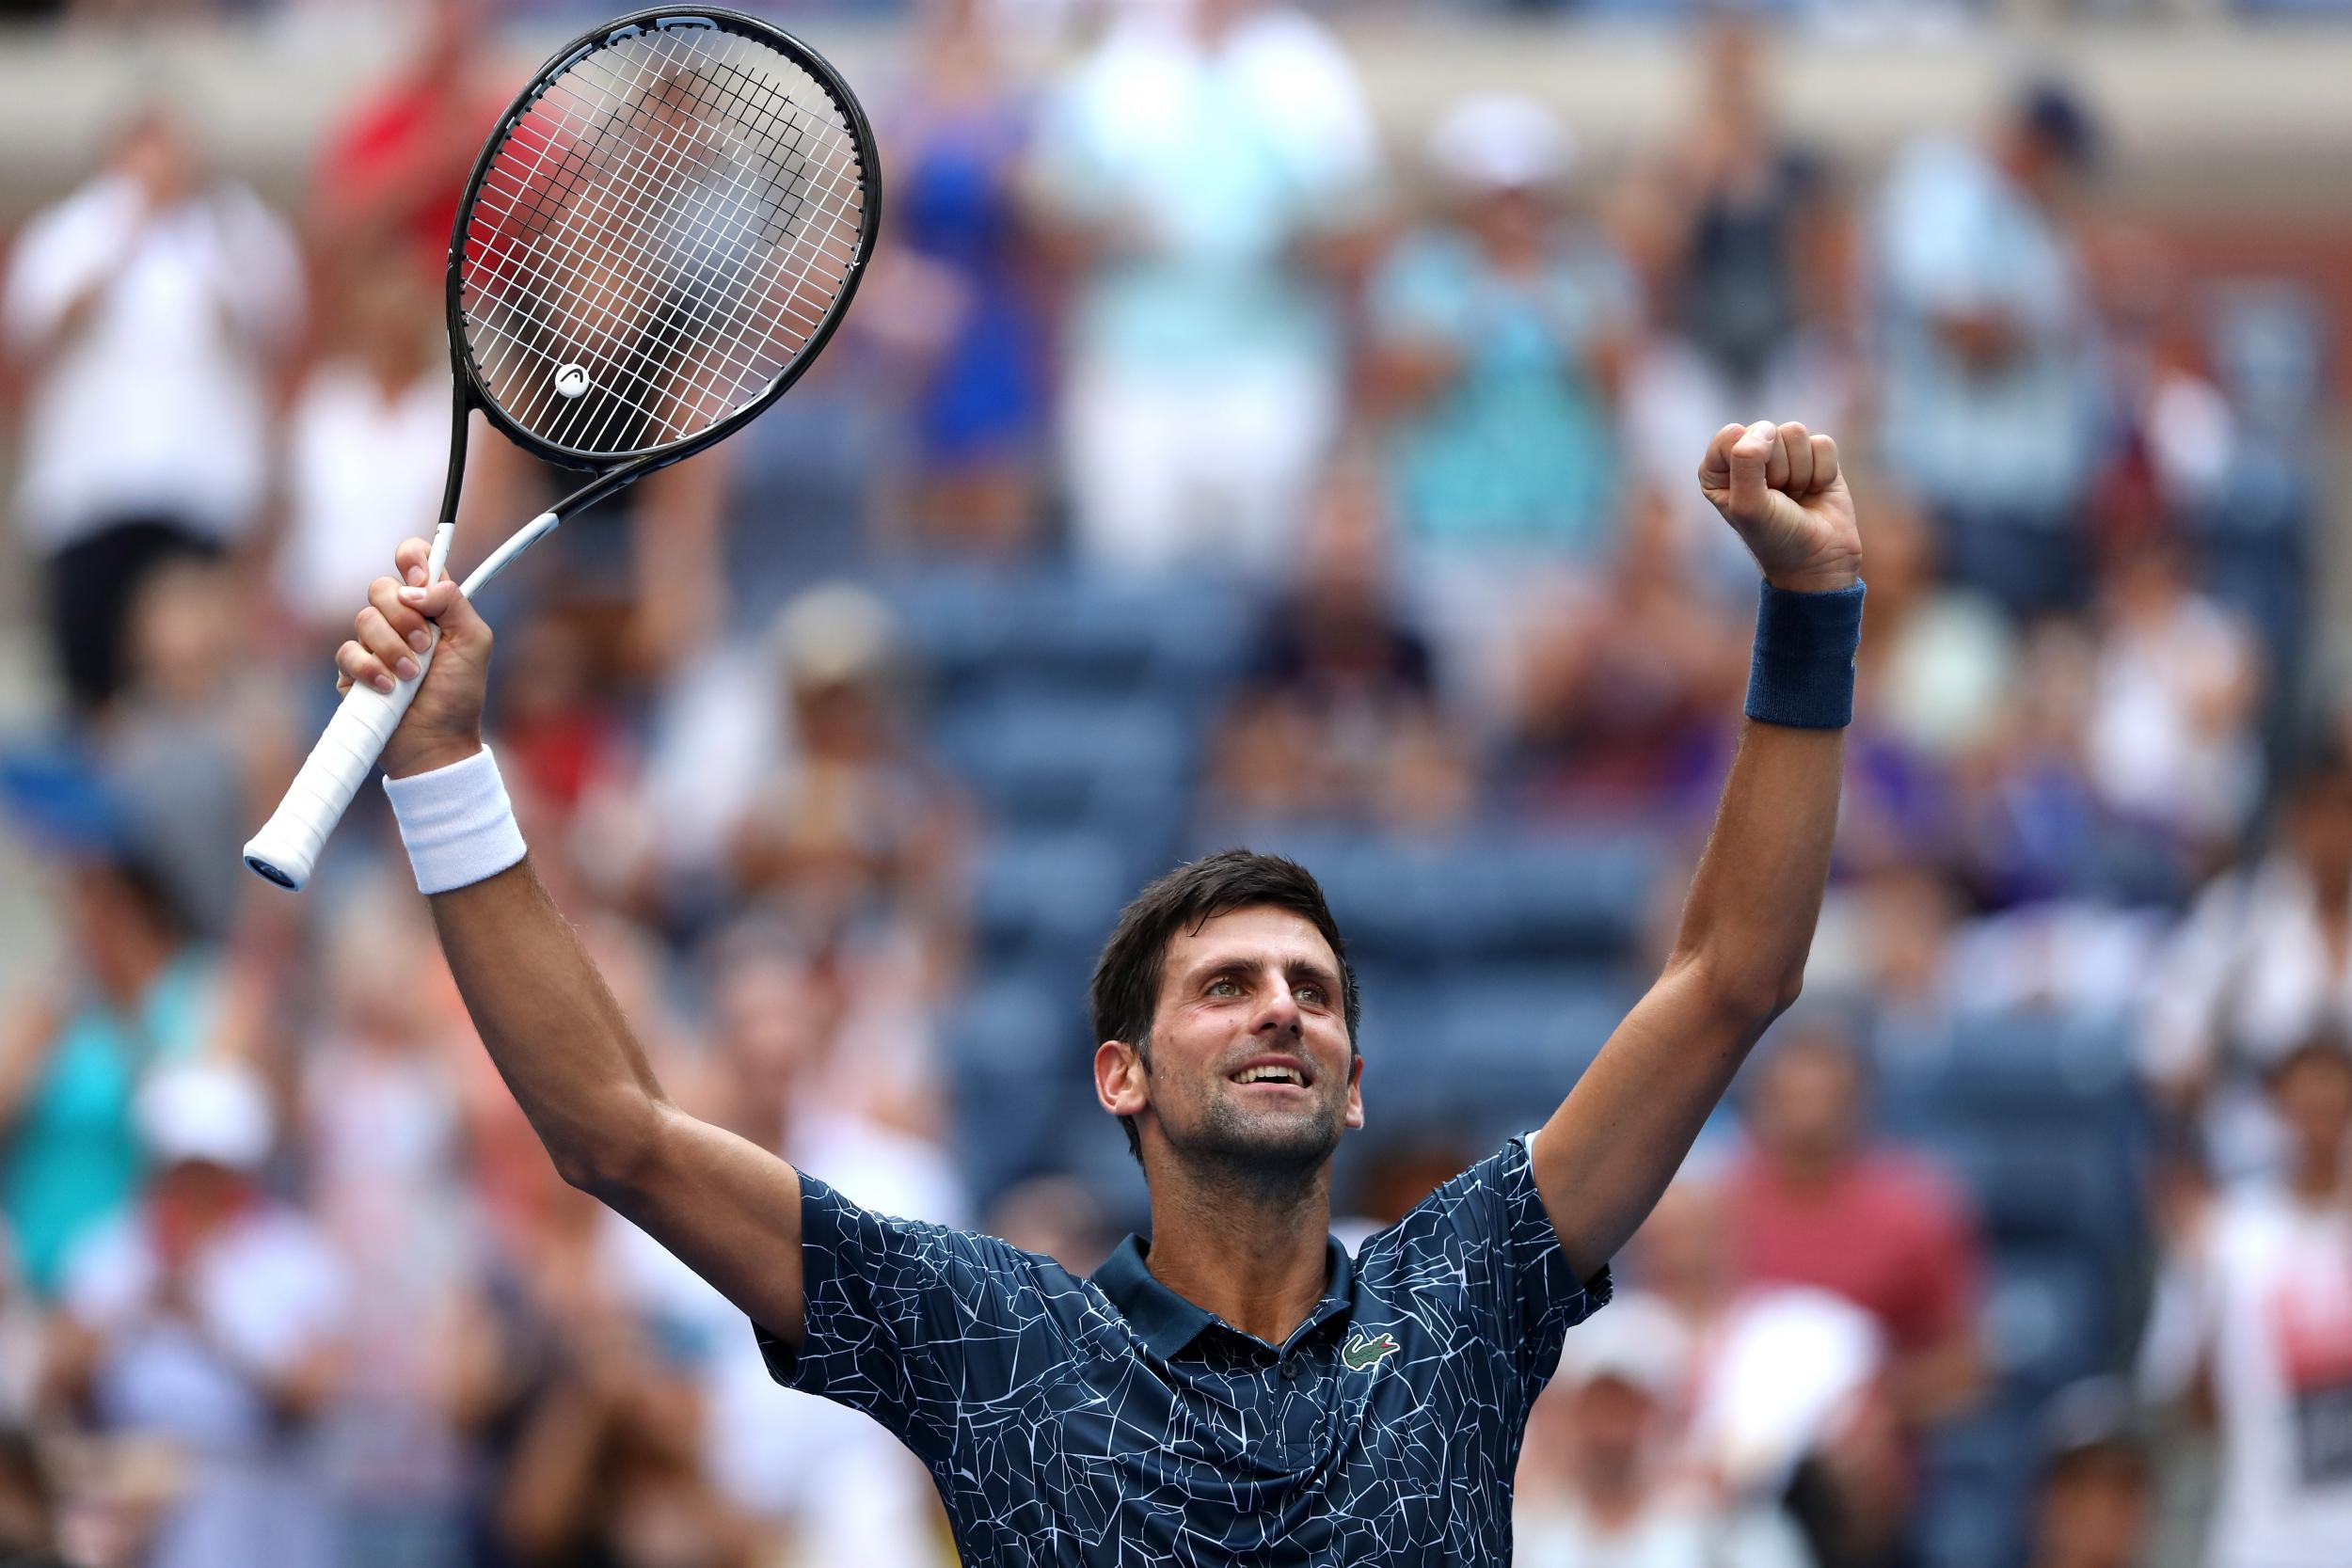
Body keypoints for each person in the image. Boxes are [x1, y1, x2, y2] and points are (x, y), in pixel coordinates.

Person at [326, 414, 1862, 1562]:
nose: (1282, 1006)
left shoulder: (1461, 1292)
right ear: (1118, 1074)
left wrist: (1814, 608)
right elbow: (617, 1130)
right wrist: (447, 760)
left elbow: (1732, 976)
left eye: (1315, 992)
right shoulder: (997, 1335)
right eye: (1228, 984)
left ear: (1355, 1082)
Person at [2138, 1030, 2352, 1568]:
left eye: (2336, 1097)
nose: (2322, 1116)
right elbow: (2190, 1402)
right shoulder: (2225, 1237)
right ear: (2277, 1104)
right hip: (2264, 1538)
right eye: (2308, 1096)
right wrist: (2197, 1281)